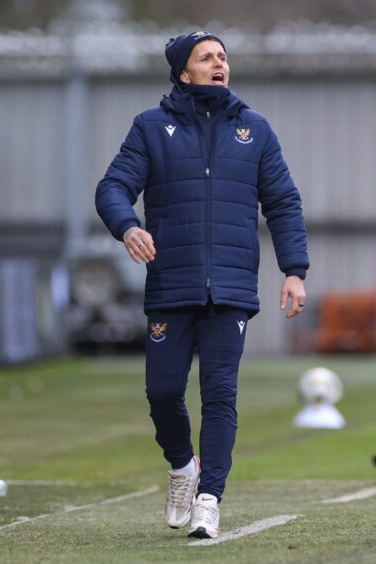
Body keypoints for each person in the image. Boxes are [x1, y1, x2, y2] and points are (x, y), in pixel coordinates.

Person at [95, 31, 309, 539]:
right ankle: (182, 467)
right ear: (183, 72)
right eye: (207, 58)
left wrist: (294, 270)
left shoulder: (254, 129)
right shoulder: (150, 127)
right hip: (171, 284)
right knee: (163, 391)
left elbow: (283, 202)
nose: (219, 64)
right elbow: (113, 186)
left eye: (223, 57)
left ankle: (210, 497)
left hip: (231, 289)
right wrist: (128, 226)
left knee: (220, 394)